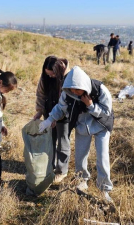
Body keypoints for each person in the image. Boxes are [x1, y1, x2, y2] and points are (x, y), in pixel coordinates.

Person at [38, 66, 114, 202]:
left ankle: (104, 190)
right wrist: (49, 120)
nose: (74, 92)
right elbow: (60, 108)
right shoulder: (68, 92)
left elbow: (106, 114)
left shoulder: (100, 90)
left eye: (77, 89)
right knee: (80, 156)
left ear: (84, 85)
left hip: (101, 127)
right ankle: (82, 180)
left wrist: (90, 106)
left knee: (102, 158)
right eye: (72, 89)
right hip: (82, 127)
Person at [33, 56, 71, 183]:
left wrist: (55, 117)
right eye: (48, 75)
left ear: (58, 71)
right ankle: (49, 166)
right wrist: (39, 111)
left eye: (53, 74)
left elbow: (65, 102)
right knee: (50, 139)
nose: (50, 77)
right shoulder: (45, 78)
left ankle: (61, 171)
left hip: (64, 114)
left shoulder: (67, 78)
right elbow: (40, 94)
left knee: (62, 141)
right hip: (49, 111)